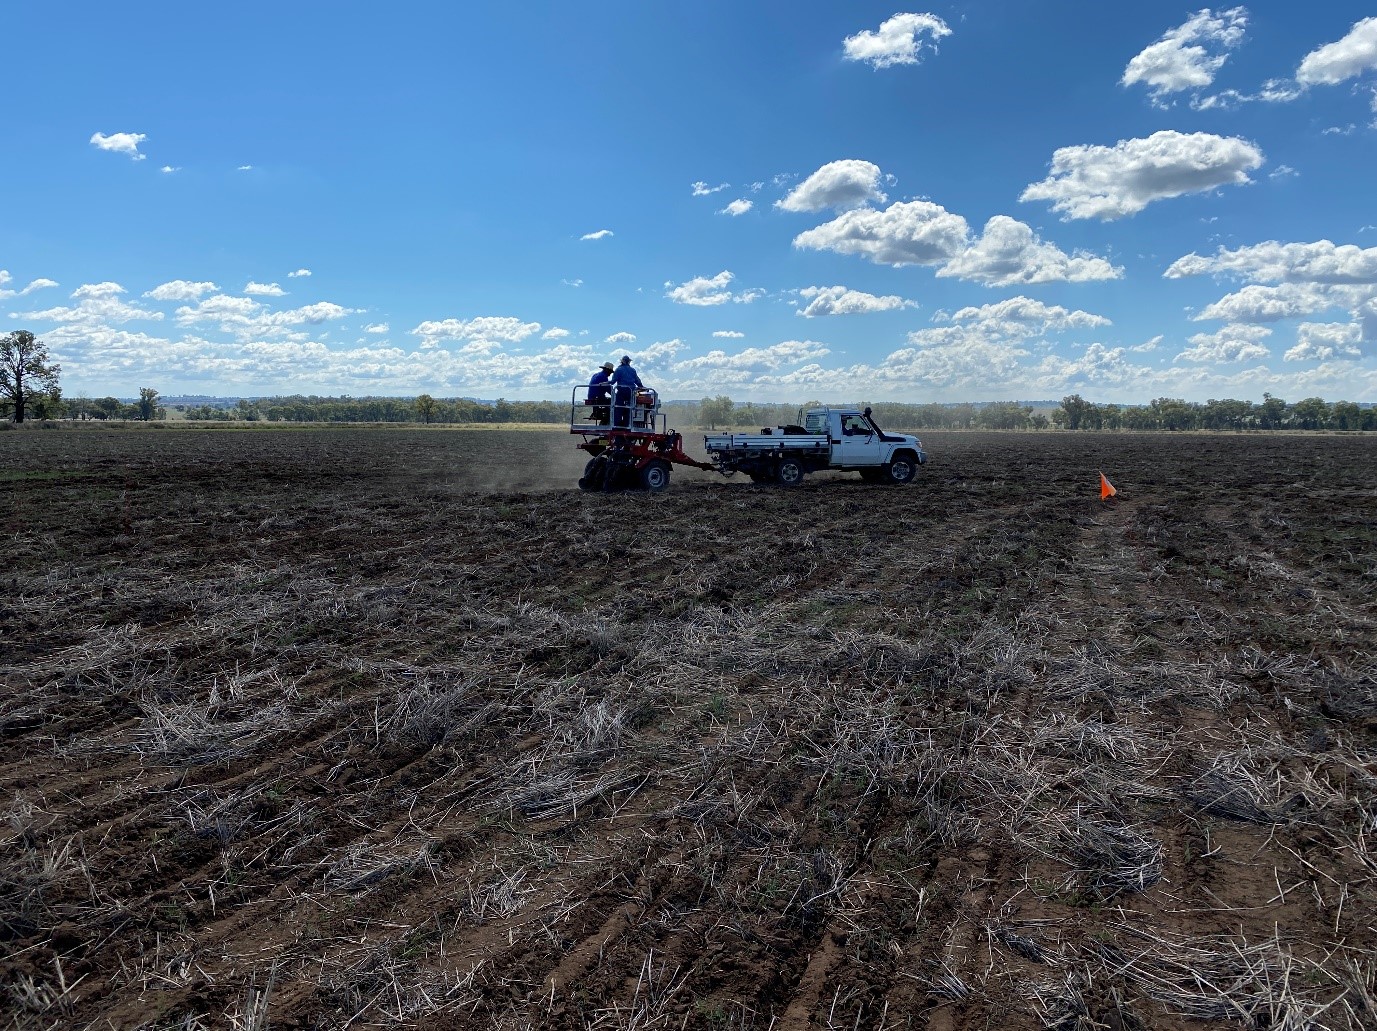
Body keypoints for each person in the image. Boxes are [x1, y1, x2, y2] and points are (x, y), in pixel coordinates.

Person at [609, 355, 643, 428]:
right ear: (629, 362)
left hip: (621, 391)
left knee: (618, 407)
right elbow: (637, 381)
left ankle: (616, 425)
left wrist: (605, 383)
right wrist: (641, 387)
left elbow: (613, 381)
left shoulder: (618, 370)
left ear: (622, 361)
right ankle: (627, 424)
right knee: (629, 408)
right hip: (631, 392)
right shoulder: (633, 370)